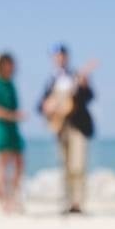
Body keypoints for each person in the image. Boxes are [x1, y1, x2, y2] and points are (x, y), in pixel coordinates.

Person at [39, 44, 96, 214]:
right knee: (64, 165)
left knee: (78, 165)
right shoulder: (51, 80)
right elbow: (41, 105)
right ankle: (67, 201)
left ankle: (78, 202)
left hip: (77, 126)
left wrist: (84, 86)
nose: (60, 59)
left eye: (62, 55)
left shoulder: (76, 76)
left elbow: (89, 97)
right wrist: (47, 107)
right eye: (57, 56)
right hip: (60, 128)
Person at [0, 53, 25, 213]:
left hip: (13, 129)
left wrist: (15, 117)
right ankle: (3, 201)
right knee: (1, 165)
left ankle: (14, 197)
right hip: (0, 128)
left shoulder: (10, 83)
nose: (10, 67)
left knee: (19, 164)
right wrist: (12, 116)